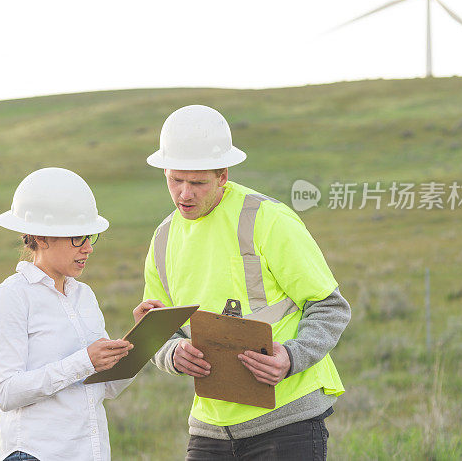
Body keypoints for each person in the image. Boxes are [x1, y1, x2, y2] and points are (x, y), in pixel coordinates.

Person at [142, 105, 351, 460]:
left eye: (197, 183)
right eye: (175, 180)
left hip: (288, 422)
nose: (184, 195)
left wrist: (291, 356)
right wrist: (173, 355)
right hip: (209, 428)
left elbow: (330, 307)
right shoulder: (163, 238)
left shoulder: (269, 220)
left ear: (222, 174)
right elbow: (158, 328)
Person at [0, 167, 162, 461]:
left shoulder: (84, 296)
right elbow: (5, 392)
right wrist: (84, 361)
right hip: (35, 454)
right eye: (78, 238)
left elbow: (107, 386)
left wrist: (146, 336)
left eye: (90, 237)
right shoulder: (10, 297)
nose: (89, 248)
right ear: (41, 237)